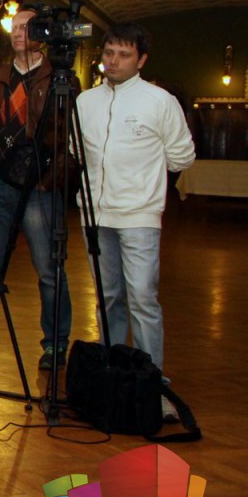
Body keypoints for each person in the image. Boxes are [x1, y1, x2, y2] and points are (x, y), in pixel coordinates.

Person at [76, 23, 194, 412]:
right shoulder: (85, 101)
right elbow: (77, 149)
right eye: (109, 52)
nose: (113, 61)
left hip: (140, 215)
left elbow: (182, 155)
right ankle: (112, 374)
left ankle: (150, 382)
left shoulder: (159, 101)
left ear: (141, 60)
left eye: (124, 54)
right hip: (95, 214)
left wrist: (146, 180)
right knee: (107, 297)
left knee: (142, 297)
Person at [0, 6, 75, 370]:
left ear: (43, 34)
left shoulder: (60, 80)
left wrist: (48, 181)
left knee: (49, 270)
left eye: (28, 27)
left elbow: (68, 138)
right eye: (15, 26)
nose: (19, 32)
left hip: (39, 188)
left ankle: (55, 344)